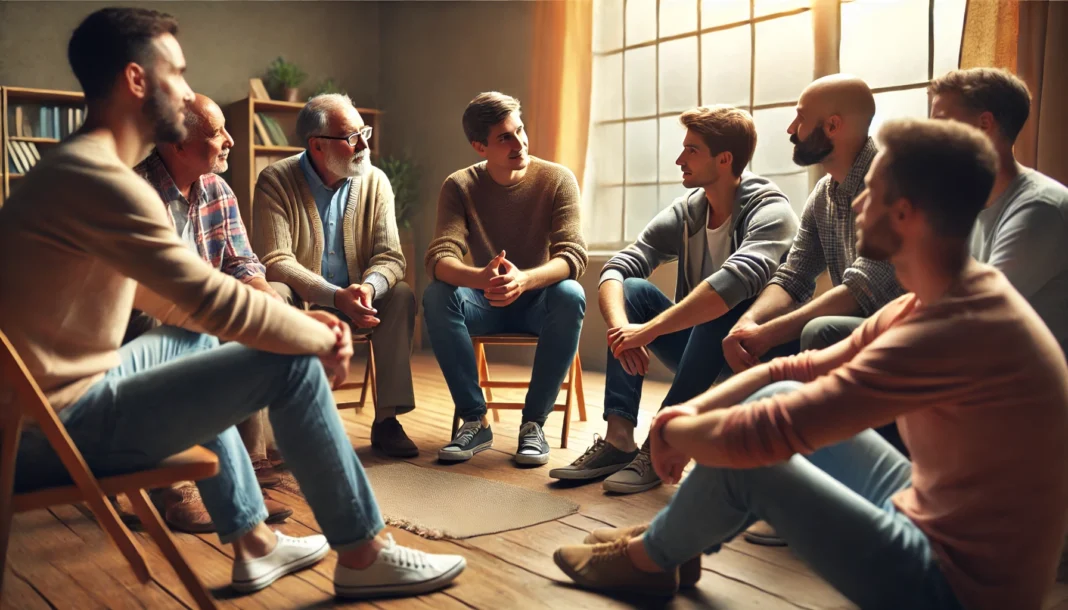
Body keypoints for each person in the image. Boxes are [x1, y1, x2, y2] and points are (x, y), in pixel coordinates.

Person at [0, 7, 464, 597]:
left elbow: (183, 309)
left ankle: (254, 545)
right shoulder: (106, 183)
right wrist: (312, 336)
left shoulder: (77, 169)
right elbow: (210, 299)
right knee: (290, 364)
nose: (189, 91)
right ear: (137, 80)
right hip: (47, 431)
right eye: (179, 73)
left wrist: (290, 318)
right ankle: (363, 552)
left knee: (195, 343)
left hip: (42, 408)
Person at [552, 118, 1068, 610]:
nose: (859, 202)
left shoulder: (953, 328)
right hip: (932, 512)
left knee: (752, 461)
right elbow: (796, 372)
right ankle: (672, 545)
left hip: (959, 589)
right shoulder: (945, 295)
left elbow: (781, 431)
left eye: (874, 191)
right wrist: (682, 417)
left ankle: (652, 559)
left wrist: (676, 435)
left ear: (906, 214)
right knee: (771, 397)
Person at [548, 106, 799, 494]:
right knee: (632, 291)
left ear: (725, 159)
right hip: (701, 354)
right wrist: (621, 331)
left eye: (691, 150)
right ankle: (618, 441)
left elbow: (731, 284)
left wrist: (646, 332)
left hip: (753, 362)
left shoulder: (772, 211)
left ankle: (663, 440)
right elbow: (618, 267)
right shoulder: (687, 212)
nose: (679, 159)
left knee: (723, 303)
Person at [132, 92, 290, 532]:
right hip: (151, 312)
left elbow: (241, 263)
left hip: (209, 306)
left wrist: (261, 291)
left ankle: (249, 470)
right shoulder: (135, 193)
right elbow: (139, 286)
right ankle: (176, 484)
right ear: (177, 144)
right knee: (164, 328)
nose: (230, 140)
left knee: (266, 303)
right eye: (216, 132)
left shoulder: (218, 188)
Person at [423, 91, 587, 466]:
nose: (520, 143)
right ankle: (474, 420)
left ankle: (534, 424)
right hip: (485, 299)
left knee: (571, 293)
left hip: (540, 300)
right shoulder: (459, 185)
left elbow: (573, 256)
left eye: (520, 130)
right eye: (505, 138)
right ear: (479, 146)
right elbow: (438, 257)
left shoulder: (557, 179)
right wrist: (479, 278)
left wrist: (526, 280)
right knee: (437, 295)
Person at [252, 93, 418, 458]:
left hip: (362, 299)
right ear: (317, 145)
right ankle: (287, 427)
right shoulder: (275, 180)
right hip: (306, 301)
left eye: (364, 132)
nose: (364, 145)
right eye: (351, 137)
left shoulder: (375, 181)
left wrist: (369, 289)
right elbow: (276, 260)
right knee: (273, 293)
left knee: (401, 293)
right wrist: (334, 294)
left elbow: (391, 256)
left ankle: (387, 421)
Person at [721, 74, 903, 373]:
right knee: (739, 325)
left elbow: (861, 289)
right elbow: (794, 275)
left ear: (832, 126)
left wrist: (768, 334)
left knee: (820, 330)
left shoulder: (892, 183)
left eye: (801, 118)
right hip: (858, 327)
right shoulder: (823, 194)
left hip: (901, 326)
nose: (791, 130)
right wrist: (749, 324)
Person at [929, 67, 1068, 353]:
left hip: (1018, 377)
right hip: (972, 354)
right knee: (829, 332)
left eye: (941, 122)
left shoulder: (1039, 208)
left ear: (984, 124)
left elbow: (971, 311)